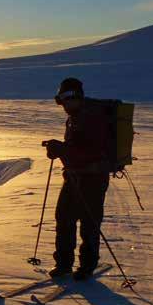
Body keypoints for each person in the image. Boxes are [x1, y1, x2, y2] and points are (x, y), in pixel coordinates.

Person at [44, 77, 110, 281]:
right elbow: (74, 149)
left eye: (66, 99)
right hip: (74, 176)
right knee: (64, 218)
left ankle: (87, 266)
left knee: (89, 222)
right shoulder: (74, 116)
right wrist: (59, 150)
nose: (63, 104)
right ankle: (63, 264)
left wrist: (62, 149)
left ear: (77, 96)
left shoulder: (93, 117)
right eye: (60, 100)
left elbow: (93, 151)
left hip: (94, 177)